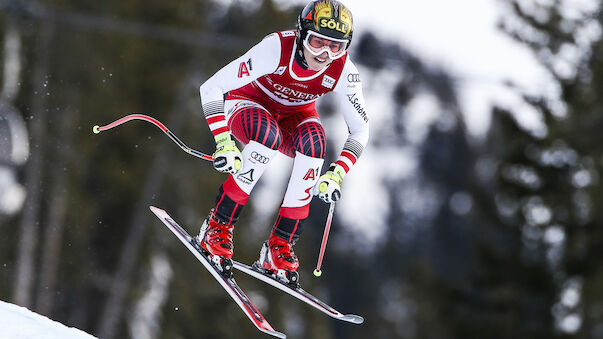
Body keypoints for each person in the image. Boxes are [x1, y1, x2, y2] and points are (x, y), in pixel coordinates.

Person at [197, 0, 369, 284]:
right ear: (302, 34)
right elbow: (212, 87)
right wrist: (224, 141)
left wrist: (337, 173)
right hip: (248, 103)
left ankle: (279, 246)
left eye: (335, 47)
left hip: (294, 116)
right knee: (267, 137)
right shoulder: (277, 49)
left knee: (315, 144)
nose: (325, 54)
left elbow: (360, 129)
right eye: (317, 42)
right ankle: (217, 226)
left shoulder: (343, 72)